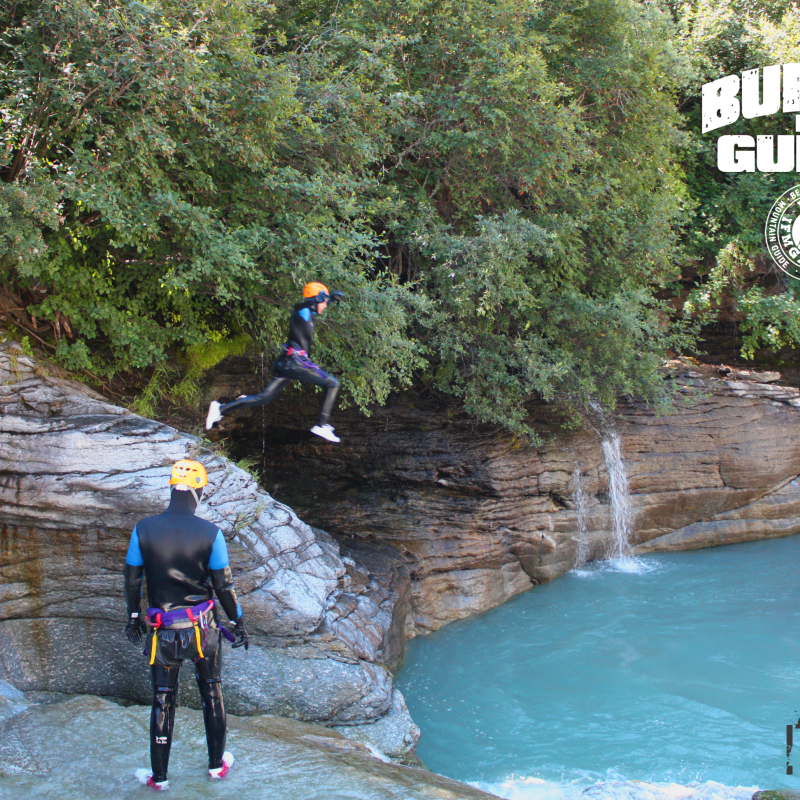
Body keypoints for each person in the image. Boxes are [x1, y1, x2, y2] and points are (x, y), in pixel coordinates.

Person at [124, 459, 249, 790]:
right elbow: (224, 587)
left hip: (162, 631)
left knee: (163, 696)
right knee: (212, 690)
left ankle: (159, 778)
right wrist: (238, 621)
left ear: (171, 487)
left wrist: (133, 617)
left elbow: (133, 579)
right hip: (202, 629)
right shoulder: (211, 534)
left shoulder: (143, 529)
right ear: (200, 490)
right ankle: (216, 767)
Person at [205, 282, 343, 443]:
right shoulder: (303, 310)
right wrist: (321, 298)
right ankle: (321, 425)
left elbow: (313, 306)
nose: (325, 306)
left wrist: (331, 298)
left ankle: (220, 408)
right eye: (324, 301)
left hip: (287, 363)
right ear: (317, 299)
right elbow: (304, 305)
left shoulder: (310, 313)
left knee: (263, 398)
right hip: (295, 363)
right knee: (333, 383)